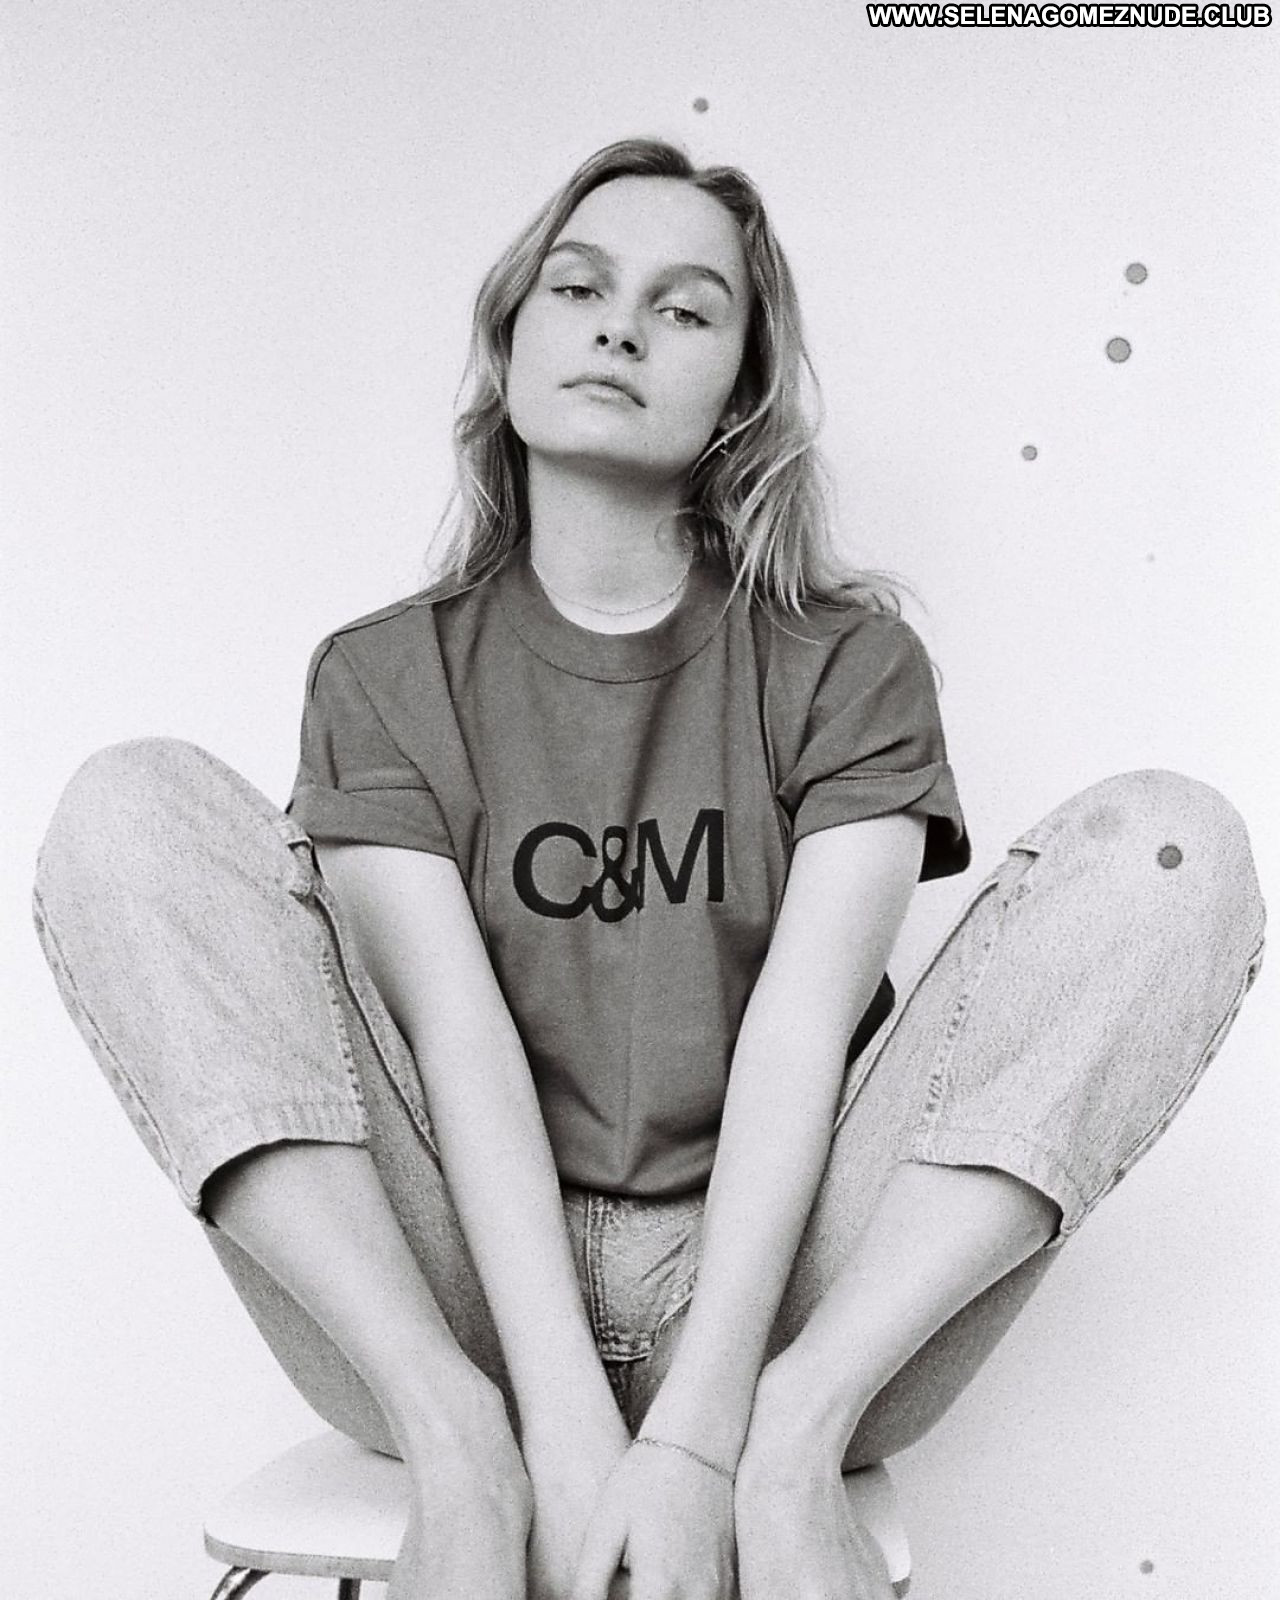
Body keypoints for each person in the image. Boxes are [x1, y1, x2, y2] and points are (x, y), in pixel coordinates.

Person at [30, 137, 1265, 1600]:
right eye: (579, 287)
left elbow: (802, 1032)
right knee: (129, 808)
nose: (621, 327)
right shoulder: (381, 678)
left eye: (685, 308)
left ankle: (797, 1437)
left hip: (791, 1301)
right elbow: (457, 1039)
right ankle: (457, 1440)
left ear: (740, 391)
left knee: (1172, 846)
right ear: (509, 340)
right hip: (457, 1300)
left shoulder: (849, 664)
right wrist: (545, 1429)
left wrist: (719, 1431)